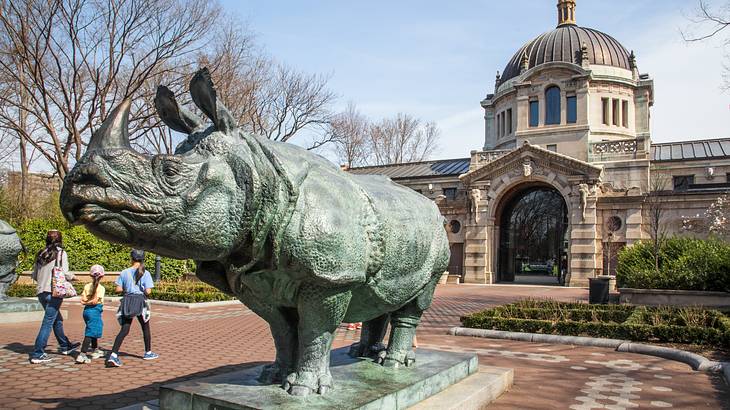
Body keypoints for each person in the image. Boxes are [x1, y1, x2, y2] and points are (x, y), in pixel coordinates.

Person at [30, 230, 79, 364]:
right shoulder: (61, 253)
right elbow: (65, 272)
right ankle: (38, 353)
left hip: (41, 292)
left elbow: (34, 275)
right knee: (48, 322)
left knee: (57, 319)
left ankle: (65, 345)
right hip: (54, 292)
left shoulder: (40, 253)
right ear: (60, 239)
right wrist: (73, 277)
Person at [107, 249, 158, 367]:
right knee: (145, 327)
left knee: (125, 329)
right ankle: (148, 352)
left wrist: (128, 289)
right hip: (141, 302)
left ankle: (113, 354)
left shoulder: (124, 272)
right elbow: (148, 291)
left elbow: (118, 289)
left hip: (128, 301)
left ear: (132, 258)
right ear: (143, 259)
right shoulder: (146, 273)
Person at [76, 265, 106, 364]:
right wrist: (89, 302)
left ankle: (94, 349)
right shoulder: (101, 288)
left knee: (93, 329)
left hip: (86, 311)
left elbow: (83, 300)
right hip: (94, 311)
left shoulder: (87, 286)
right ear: (102, 276)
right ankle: (82, 354)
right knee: (90, 332)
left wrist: (85, 302)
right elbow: (94, 301)